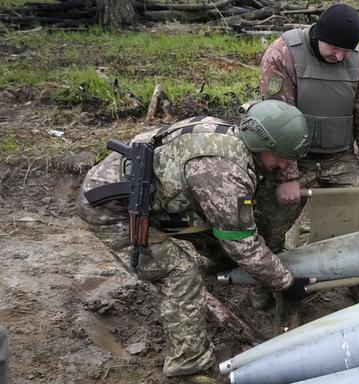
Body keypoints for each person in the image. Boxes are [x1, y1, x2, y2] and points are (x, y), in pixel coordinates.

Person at [77, 100, 315, 383]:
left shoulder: (235, 140)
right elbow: (242, 243)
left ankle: (224, 277)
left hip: (154, 195)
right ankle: (188, 362)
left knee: (222, 243)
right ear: (261, 145)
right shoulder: (223, 173)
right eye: (281, 158)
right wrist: (286, 283)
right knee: (180, 272)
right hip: (111, 211)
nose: (283, 166)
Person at [258, 3, 359, 254]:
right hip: (293, 157)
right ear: (319, 35)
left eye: (347, 50)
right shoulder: (283, 55)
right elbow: (275, 122)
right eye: (334, 48)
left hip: (339, 157)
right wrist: (287, 177)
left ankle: (355, 277)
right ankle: (272, 284)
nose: (340, 57)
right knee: (269, 224)